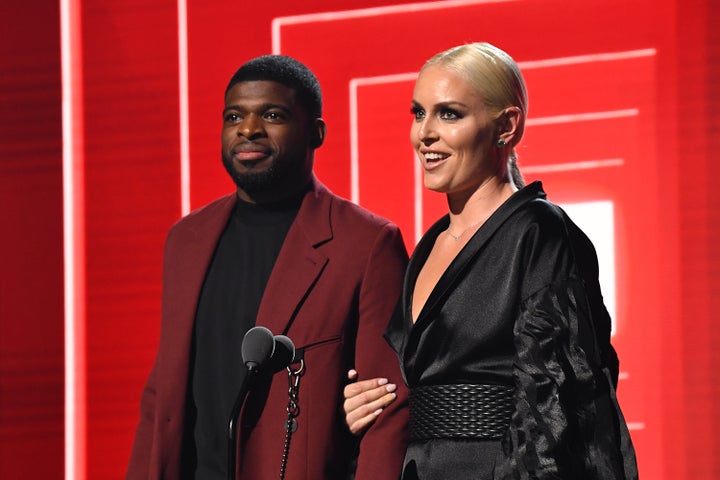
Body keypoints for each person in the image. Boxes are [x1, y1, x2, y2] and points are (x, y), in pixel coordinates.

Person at [343, 42, 638, 479]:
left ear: (507, 125)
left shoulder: (540, 233)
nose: (424, 133)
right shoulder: (428, 246)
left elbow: (554, 406)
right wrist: (372, 405)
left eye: (449, 114)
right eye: (418, 112)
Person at [126, 55, 409, 480]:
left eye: (272, 115)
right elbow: (161, 396)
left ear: (316, 132)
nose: (248, 129)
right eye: (234, 116)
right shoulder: (185, 240)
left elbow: (388, 411)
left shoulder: (367, 244)